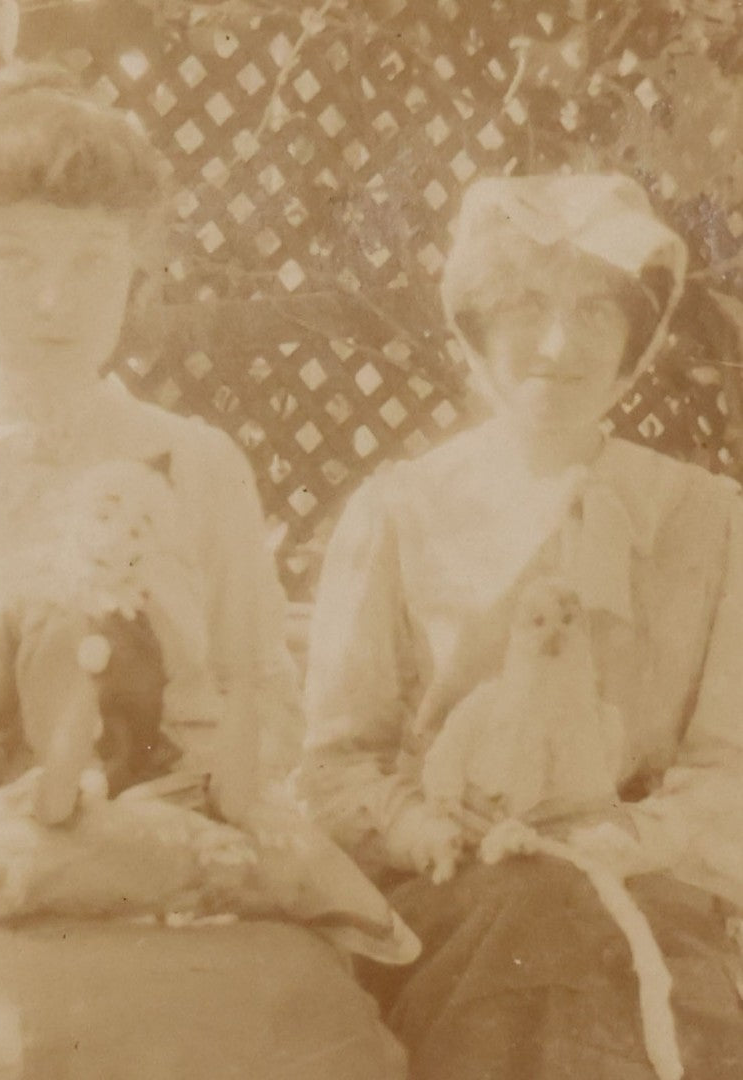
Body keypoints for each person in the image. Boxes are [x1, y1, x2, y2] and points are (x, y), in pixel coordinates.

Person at [0, 63, 408, 1079]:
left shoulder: (198, 464)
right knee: (8, 1023)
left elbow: (260, 692)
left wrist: (197, 785)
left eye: (93, 262)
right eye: (13, 258)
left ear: (138, 270)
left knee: (287, 1011)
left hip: (167, 872)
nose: (53, 300)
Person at [301, 172, 743, 1080]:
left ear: (636, 335)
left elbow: (730, 769)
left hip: (643, 892)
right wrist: (419, 825)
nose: (556, 342)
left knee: (587, 935)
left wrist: (622, 842)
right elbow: (336, 765)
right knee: (529, 922)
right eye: (527, 305)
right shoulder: (401, 512)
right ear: (476, 325)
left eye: (593, 310)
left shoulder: (712, 519)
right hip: (450, 892)